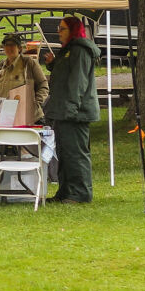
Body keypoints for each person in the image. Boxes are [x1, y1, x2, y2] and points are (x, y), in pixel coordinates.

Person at [43, 15, 100, 203]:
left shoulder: (80, 50)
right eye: (59, 28)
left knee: (76, 153)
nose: (58, 32)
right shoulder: (67, 50)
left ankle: (80, 193)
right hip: (63, 110)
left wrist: (72, 108)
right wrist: (52, 64)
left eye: (62, 29)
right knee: (64, 153)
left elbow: (78, 82)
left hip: (75, 112)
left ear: (73, 30)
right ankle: (65, 191)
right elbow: (65, 74)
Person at [0, 33, 49, 125]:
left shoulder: (29, 63)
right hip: (5, 118)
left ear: (19, 48)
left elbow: (43, 85)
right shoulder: (0, 66)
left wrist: (35, 104)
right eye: (6, 45)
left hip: (27, 119)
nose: (9, 48)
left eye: (12, 45)